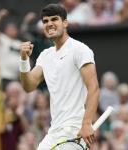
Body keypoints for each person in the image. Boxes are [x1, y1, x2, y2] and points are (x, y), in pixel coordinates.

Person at [19, 3, 100, 149]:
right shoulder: (45, 56)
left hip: (74, 130)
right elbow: (28, 86)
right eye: (45, 21)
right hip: (54, 131)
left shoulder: (80, 50)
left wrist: (86, 124)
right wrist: (24, 60)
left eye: (54, 19)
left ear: (65, 23)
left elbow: (93, 88)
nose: (49, 24)